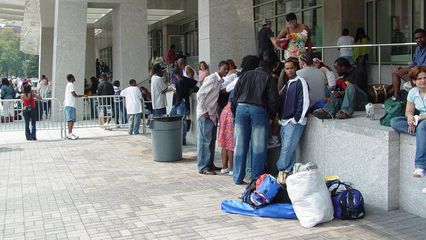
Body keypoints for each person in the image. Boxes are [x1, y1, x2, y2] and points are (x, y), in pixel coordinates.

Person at [232, 60, 280, 184]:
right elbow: (273, 100)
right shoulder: (269, 77)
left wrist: (235, 112)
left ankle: (237, 178)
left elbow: (234, 96)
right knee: (258, 146)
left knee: (239, 145)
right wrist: (271, 116)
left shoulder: (245, 75)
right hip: (259, 110)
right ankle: (256, 179)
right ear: (270, 68)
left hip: (241, 109)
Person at [218, 55, 260, 175]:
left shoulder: (239, 77)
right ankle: (233, 168)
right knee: (232, 142)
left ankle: (225, 166)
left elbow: (225, 89)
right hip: (233, 111)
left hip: (226, 110)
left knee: (225, 141)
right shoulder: (246, 78)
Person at [276, 59, 310, 184]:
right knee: (290, 148)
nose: (289, 70)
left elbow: (304, 101)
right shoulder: (287, 84)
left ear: (296, 68)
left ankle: (281, 170)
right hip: (285, 121)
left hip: (294, 121)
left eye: (291, 68)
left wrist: (296, 119)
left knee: (287, 148)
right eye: (286, 68)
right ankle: (287, 173)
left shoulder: (301, 82)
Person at [391, 66, 426, 181]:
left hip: (422, 120)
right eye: (419, 78)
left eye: (425, 78)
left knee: (422, 126)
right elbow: (409, 111)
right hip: (420, 121)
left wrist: (418, 118)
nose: (423, 81)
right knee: (395, 122)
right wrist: (410, 118)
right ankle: (422, 134)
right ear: (414, 81)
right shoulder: (413, 92)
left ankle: (420, 166)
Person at [196, 61, 229, 175]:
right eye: (224, 68)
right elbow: (200, 94)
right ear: (219, 68)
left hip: (212, 115)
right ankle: (203, 167)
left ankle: (210, 164)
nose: (226, 71)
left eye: (227, 69)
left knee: (210, 141)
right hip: (205, 114)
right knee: (205, 141)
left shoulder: (219, 81)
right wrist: (204, 110)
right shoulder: (212, 78)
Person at [392, 28, 426, 99]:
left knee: (411, 72)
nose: (419, 40)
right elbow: (413, 64)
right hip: (417, 73)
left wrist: (411, 69)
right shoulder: (418, 49)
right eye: (416, 38)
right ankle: (396, 98)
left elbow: (423, 67)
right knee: (395, 71)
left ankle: (417, 95)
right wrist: (403, 69)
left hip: (423, 75)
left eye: (421, 37)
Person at [170, 74, 198, 145]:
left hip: (180, 102)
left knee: (181, 122)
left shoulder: (181, 80)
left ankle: (182, 140)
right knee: (181, 121)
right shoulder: (182, 80)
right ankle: (181, 139)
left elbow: (182, 93)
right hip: (178, 102)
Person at [64, 74, 85, 140]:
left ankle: (69, 134)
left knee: (70, 120)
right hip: (70, 105)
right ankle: (70, 134)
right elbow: (73, 94)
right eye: (73, 77)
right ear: (71, 78)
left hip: (68, 104)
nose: (74, 78)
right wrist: (81, 95)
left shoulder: (68, 85)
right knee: (71, 120)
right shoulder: (71, 84)